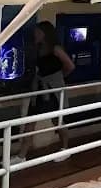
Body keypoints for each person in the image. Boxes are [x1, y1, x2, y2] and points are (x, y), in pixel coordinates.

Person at [12, 22, 75, 164]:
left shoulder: (55, 48)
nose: (36, 34)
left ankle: (65, 149)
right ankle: (21, 156)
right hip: (40, 89)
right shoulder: (39, 48)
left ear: (45, 33)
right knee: (30, 120)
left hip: (51, 90)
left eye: (38, 32)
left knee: (57, 120)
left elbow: (70, 66)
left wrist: (57, 79)